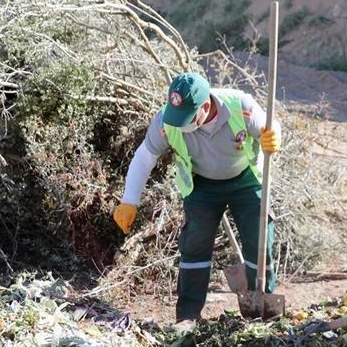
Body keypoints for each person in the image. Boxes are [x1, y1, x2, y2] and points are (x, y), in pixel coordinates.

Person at [112, 72, 280, 328]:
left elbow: (271, 126)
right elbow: (145, 156)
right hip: (201, 184)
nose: (180, 125)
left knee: (259, 237)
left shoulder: (240, 106)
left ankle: (263, 307)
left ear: (205, 106)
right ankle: (188, 316)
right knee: (195, 245)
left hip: (244, 178)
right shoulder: (167, 120)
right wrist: (129, 201)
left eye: (187, 118)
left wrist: (273, 136)